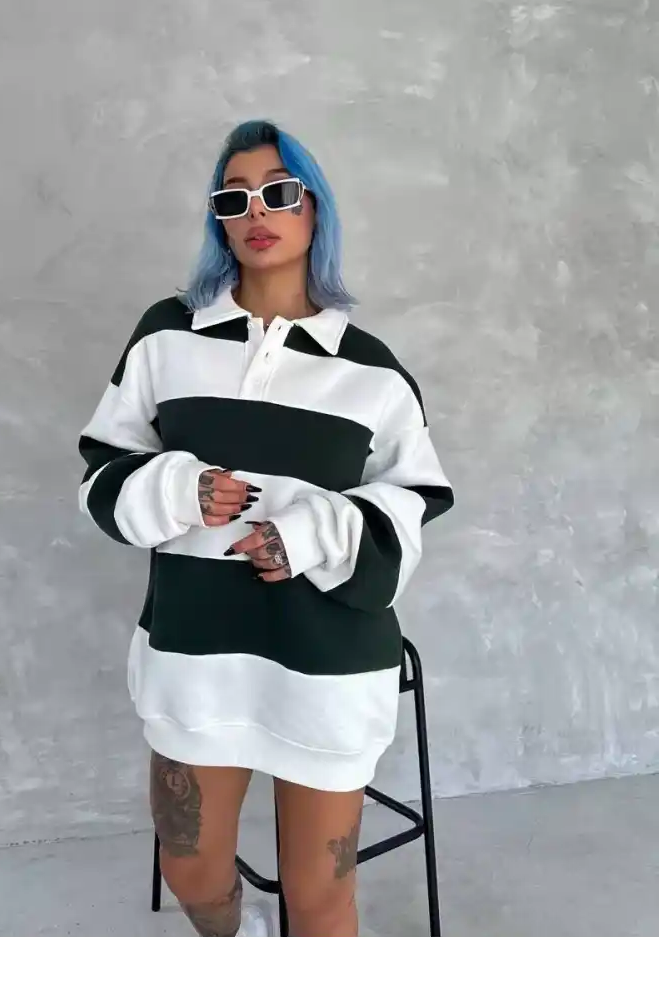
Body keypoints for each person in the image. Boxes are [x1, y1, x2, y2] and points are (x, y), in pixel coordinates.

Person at [78, 120, 454, 939]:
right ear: (217, 220)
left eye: (280, 192)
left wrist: (315, 533)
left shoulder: (373, 370)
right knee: (189, 864)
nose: (256, 211)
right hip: (196, 652)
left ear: (317, 209)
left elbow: (416, 501)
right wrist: (177, 487)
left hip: (326, 661)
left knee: (320, 899)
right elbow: (102, 470)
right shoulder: (166, 336)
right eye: (234, 197)